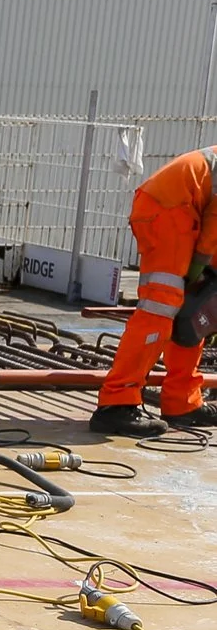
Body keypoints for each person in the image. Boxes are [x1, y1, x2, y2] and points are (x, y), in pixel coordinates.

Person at [91, 144, 216, 436]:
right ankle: (117, 403)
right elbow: (213, 229)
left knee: (198, 309)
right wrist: (198, 274)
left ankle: (183, 403)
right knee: (161, 306)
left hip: (182, 210)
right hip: (169, 210)